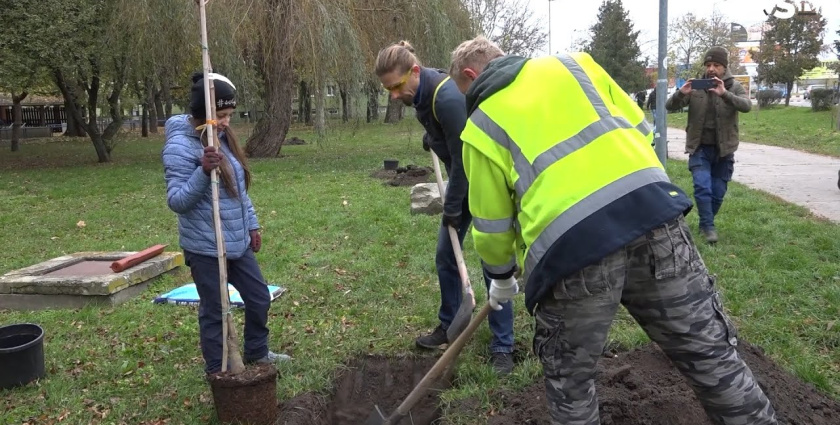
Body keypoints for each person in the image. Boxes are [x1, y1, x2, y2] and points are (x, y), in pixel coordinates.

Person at [448, 36, 777, 425]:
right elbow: (641, 128)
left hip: (572, 253)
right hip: (655, 217)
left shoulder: (481, 124)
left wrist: (501, 278)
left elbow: (491, 226)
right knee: (712, 357)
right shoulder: (578, 65)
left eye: (464, 91)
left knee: (571, 385)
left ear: (471, 75)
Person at [374, 40, 516, 375]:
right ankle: (449, 324)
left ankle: (503, 345)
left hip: (485, 183)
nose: (393, 95)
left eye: (396, 86)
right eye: (387, 89)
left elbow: (468, 161)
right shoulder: (422, 96)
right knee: (446, 257)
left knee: (493, 264)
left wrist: (452, 208)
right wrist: (434, 136)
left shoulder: (447, 98)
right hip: (464, 182)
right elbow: (452, 141)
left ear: (415, 72)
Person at [162, 72, 288, 375]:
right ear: (202, 114)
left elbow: (238, 188)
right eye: (221, 115)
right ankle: (217, 370)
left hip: (237, 239)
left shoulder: (221, 137)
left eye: (230, 114)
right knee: (216, 312)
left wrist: (252, 225)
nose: (227, 121)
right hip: (205, 245)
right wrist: (203, 173)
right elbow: (177, 201)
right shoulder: (180, 146)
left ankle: (258, 352)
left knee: (259, 297)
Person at [665, 47, 751, 244]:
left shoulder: (733, 86)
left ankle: (706, 222)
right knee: (702, 187)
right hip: (700, 147)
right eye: (708, 65)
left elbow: (746, 106)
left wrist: (724, 94)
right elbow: (670, 106)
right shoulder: (696, 86)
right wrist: (681, 93)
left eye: (716, 65)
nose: (711, 69)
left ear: (724, 67)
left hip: (724, 150)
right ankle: (708, 228)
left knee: (718, 193)